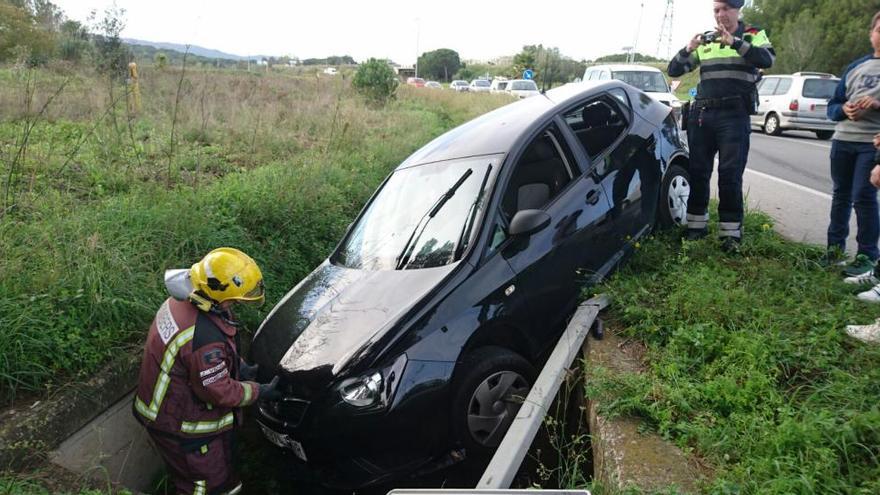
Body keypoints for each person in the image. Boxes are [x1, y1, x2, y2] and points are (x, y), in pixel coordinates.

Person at [133, 248, 281, 495]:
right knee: (205, 486)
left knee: (219, 479)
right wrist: (258, 391)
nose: (234, 305)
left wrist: (240, 367)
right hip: (181, 427)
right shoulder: (203, 337)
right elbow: (218, 390)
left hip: (165, 409)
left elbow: (202, 356)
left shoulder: (183, 302)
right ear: (214, 295)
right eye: (233, 300)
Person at [667, 0, 774, 251]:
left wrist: (735, 43)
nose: (720, 15)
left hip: (734, 115)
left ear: (737, 10)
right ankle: (696, 228)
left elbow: (767, 59)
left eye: (726, 9)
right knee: (698, 172)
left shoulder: (753, 35)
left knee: (730, 175)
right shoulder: (706, 40)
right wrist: (688, 48)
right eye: (716, 10)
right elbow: (674, 70)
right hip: (703, 114)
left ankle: (730, 235)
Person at [826, 11, 880, 278]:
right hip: (842, 139)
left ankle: (867, 256)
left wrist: (877, 105)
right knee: (840, 195)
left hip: (871, 143)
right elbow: (832, 106)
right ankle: (834, 251)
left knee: (864, 196)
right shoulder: (855, 66)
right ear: (871, 34)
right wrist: (843, 109)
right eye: (879, 29)